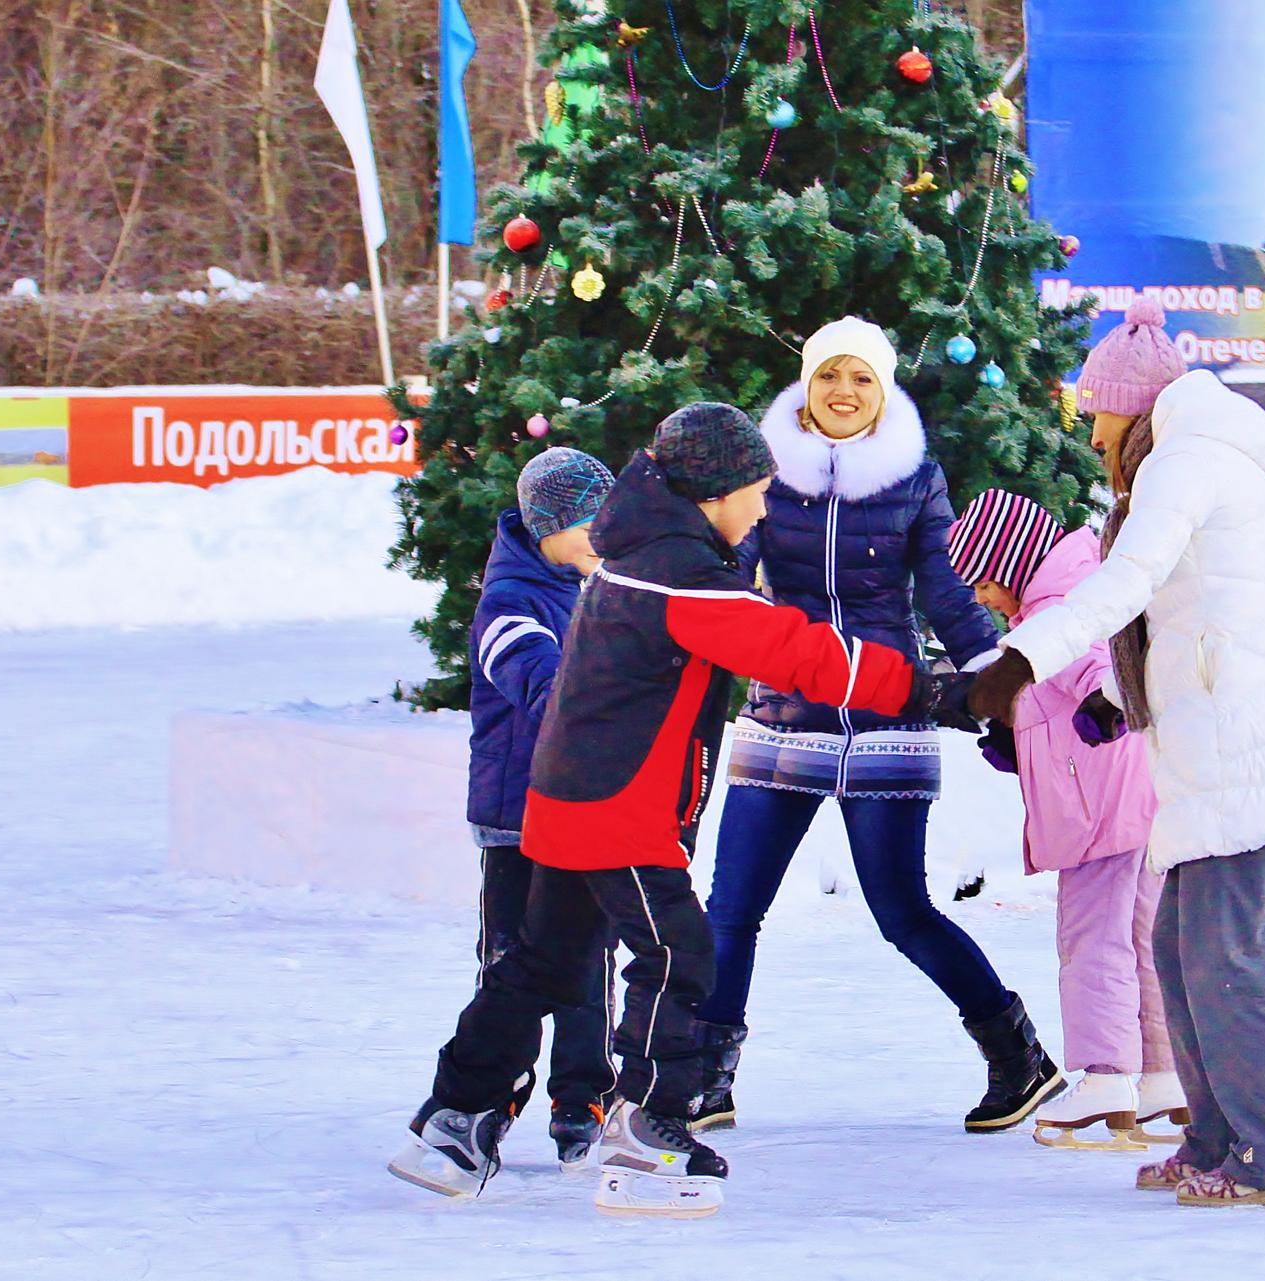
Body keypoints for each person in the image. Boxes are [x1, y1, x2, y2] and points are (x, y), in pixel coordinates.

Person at [391, 402, 966, 1218]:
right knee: (680, 957)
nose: (764, 508)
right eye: (758, 491)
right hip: (616, 802)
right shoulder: (677, 574)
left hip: (569, 797)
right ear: (716, 489)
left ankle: (457, 1119)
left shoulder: (641, 555)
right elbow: (792, 649)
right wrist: (921, 686)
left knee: (543, 962)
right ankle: (647, 1128)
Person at [970, 296, 1265, 1208]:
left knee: (1227, 963)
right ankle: (1216, 1135)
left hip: (1240, 747)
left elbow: (1125, 584)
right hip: (1207, 743)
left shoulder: (1188, 460)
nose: (1090, 435)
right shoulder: (1178, 460)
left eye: (1095, 412)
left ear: (1133, 406)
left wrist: (1019, 661)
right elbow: (1169, 611)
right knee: (1179, 952)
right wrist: (1102, 702)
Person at [692, 317, 1064, 1136]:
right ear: (808, 383)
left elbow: (943, 586)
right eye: (831, 376)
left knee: (901, 908)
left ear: (884, 389)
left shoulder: (914, 474)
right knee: (732, 904)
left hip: (884, 707)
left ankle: (1017, 1052)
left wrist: (1001, 678)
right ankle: (703, 1075)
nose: (845, 392)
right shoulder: (764, 471)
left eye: (862, 378)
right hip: (784, 703)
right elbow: (726, 569)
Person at [945, 489, 1187, 1152]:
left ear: (1013, 562)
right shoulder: (1083, 580)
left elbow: (1092, 671)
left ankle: (1108, 1077)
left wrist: (1096, 705)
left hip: (1096, 808)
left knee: (1092, 941)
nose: (987, 601)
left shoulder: (1055, 607)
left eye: (986, 584)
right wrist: (1019, 734)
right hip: (1136, 798)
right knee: (1142, 938)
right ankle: (1165, 1076)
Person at [454, 448, 619, 1171]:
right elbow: (540, 683)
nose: (599, 535)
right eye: (585, 523)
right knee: (513, 961)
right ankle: (493, 1091)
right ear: (544, 524)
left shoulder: (597, 586)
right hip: (517, 818)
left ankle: (581, 1090)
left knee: (586, 957)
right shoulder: (509, 601)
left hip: (582, 811)